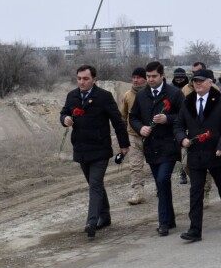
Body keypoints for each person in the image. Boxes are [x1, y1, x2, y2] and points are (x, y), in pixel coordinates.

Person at [60, 65, 130, 238]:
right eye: (79, 79)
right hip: (82, 149)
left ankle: (92, 221)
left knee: (96, 184)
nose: (82, 82)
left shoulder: (104, 97)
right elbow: (63, 113)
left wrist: (124, 144)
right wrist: (65, 119)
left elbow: (117, 121)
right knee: (94, 185)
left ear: (94, 80)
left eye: (85, 79)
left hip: (100, 149)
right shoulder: (72, 96)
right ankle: (105, 216)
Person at [173, 69, 221, 241]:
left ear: (210, 82)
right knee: (195, 191)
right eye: (195, 81)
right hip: (196, 154)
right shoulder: (188, 102)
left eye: (201, 80)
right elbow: (178, 125)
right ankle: (195, 229)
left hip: (216, 152)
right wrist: (182, 139)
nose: (198, 83)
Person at [129, 61, 184, 236]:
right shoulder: (142, 95)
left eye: (154, 76)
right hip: (151, 147)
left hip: (169, 146)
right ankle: (171, 218)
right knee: (162, 185)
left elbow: (185, 117)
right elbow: (133, 117)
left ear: (162, 76)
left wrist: (168, 119)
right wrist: (140, 128)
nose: (150, 79)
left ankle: (163, 223)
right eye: (148, 76)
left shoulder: (174, 94)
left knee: (162, 181)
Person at [121, 67, 147, 205]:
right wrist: (122, 137)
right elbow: (123, 117)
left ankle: (161, 189)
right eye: (134, 77)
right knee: (135, 165)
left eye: (139, 77)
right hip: (133, 136)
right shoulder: (127, 96)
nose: (136, 80)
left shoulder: (151, 94)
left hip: (151, 136)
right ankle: (138, 192)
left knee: (157, 164)